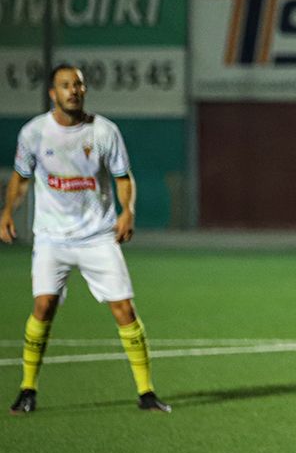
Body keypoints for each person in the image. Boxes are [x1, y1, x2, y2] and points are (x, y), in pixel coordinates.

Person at [1, 64, 170, 415]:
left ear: (84, 89)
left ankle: (146, 392)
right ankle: (27, 388)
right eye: (65, 85)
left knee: (124, 309)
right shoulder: (34, 133)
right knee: (43, 306)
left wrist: (128, 211)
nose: (73, 90)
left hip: (97, 236)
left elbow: (124, 177)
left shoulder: (105, 131)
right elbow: (21, 178)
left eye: (78, 84)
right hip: (51, 238)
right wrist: (7, 212)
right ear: (53, 93)